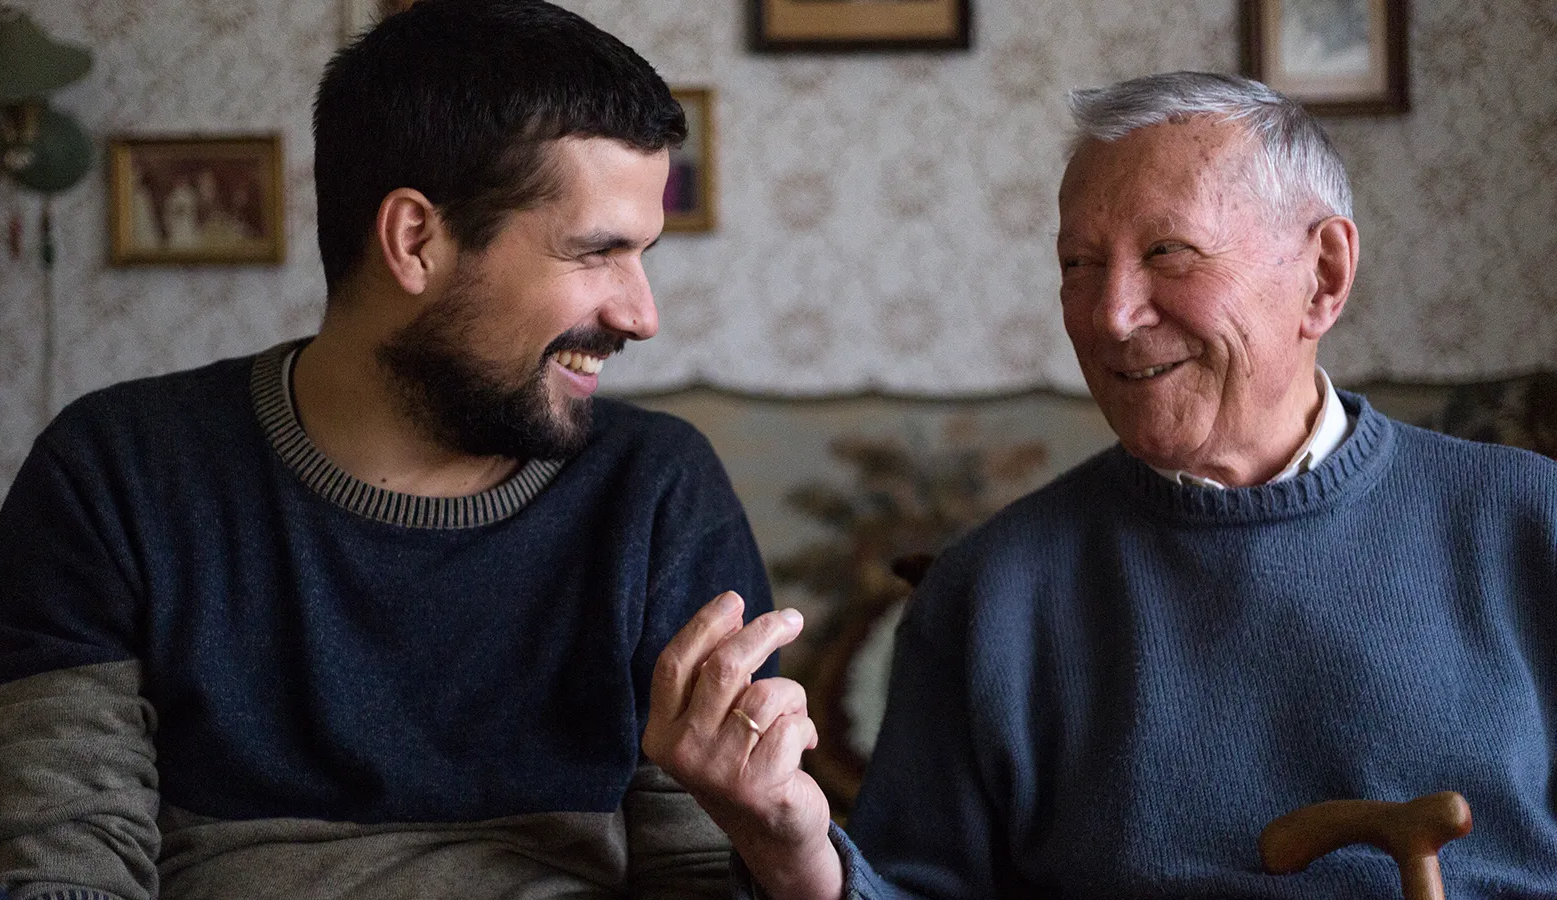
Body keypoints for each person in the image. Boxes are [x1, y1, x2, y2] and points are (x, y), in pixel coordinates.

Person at [643, 71, 1557, 897]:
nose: (1112, 317)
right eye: (1078, 266)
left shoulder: (1528, 523)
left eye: (1169, 254)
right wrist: (796, 853)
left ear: (1323, 275)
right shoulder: (988, 594)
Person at [0, 1, 774, 897]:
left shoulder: (657, 490)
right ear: (415, 240)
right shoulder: (114, 472)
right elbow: (59, 863)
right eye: (596, 254)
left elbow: (702, 871)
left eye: (645, 253)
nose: (641, 315)